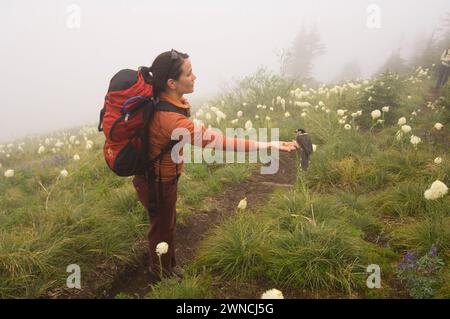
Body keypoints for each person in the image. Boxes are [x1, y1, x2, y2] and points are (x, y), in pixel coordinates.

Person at [132, 49, 297, 280]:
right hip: (158, 182)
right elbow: (220, 142)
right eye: (189, 74)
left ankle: (169, 264)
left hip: (163, 177)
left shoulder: (167, 101)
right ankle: (160, 271)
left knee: (167, 223)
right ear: (171, 82)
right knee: (161, 226)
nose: (195, 77)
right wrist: (267, 144)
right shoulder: (171, 120)